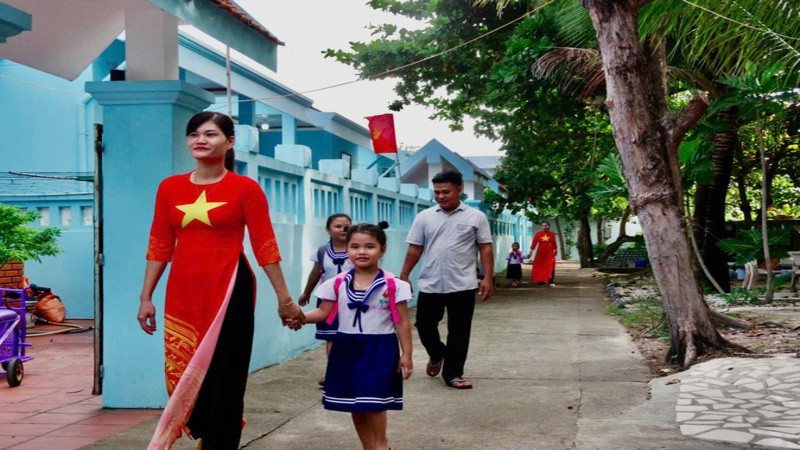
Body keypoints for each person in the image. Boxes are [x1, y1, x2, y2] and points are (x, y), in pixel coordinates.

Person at [137, 111, 304, 450]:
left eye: (211, 134)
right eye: (194, 133)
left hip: (231, 290)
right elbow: (159, 244)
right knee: (185, 371)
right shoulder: (169, 187)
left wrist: (284, 299)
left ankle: (220, 443)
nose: (201, 139)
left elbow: (265, 246)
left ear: (229, 142)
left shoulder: (245, 188)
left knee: (227, 374)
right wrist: (146, 296)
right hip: (183, 292)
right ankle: (204, 433)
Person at [300, 222, 413, 450]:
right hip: (346, 348)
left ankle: (381, 445)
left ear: (382, 249)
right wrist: (299, 317)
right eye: (355, 247)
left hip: (380, 348)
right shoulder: (336, 283)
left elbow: (401, 321)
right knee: (356, 402)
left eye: (369, 246)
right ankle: (368, 446)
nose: (361, 252)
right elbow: (323, 312)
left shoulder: (393, 285)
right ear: (348, 249)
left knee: (374, 401)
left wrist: (407, 353)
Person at [400, 170, 494, 390]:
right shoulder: (424, 217)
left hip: (463, 283)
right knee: (424, 325)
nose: (441, 196)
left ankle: (453, 373)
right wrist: (404, 275)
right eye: (437, 192)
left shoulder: (475, 217)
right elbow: (415, 248)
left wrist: (488, 278)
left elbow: (485, 248)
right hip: (431, 282)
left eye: (445, 192)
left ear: (459, 190)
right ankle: (437, 354)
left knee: (460, 331)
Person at [298, 213, 353, 386]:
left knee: (351, 337)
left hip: (352, 301)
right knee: (332, 338)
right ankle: (334, 372)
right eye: (337, 226)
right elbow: (316, 273)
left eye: (347, 226)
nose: (343, 229)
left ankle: (350, 371)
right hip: (328, 301)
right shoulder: (322, 252)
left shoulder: (356, 249)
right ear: (328, 230)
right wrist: (306, 293)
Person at [527, 221, 558, 287]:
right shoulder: (538, 234)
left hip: (549, 253)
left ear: (549, 226)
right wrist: (530, 252)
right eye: (543, 226)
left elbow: (554, 243)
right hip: (540, 253)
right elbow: (534, 244)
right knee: (539, 266)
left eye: (546, 225)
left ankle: (551, 281)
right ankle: (540, 280)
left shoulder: (552, 234)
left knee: (550, 266)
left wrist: (555, 250)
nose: (544, 227)